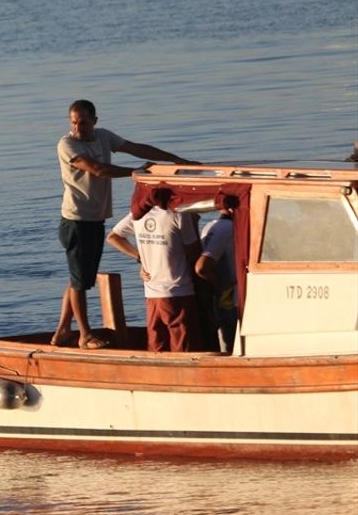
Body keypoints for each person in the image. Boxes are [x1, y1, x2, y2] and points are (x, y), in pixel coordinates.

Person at [51, 99, 196, 349]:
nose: (78, 127)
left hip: (95, 219)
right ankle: (84, 335)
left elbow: (136, 148)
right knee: (80, 280)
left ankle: (63, 329)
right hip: (76, 220)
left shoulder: (103, 137)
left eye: (83, 122)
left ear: (94, 121)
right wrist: (136, 172)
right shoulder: (67, 144)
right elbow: (96, 169)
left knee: (80, 277)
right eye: (74, 122)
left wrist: (175, 160)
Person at [106, 206, 202, 352]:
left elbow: (113, 237)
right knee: (184, 347)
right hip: (178, 290)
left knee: (156, 345)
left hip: (152, 294)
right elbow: (193, 252)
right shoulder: (179, 214)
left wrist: (141, 257)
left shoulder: (138, 213)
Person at [196, 209, 237, 352]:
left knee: (225, 340)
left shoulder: (209, 226)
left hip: (217, 295)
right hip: (229, 295)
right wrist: (222, 286)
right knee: (231, 340)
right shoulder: (228, 228)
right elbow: (202, 267)